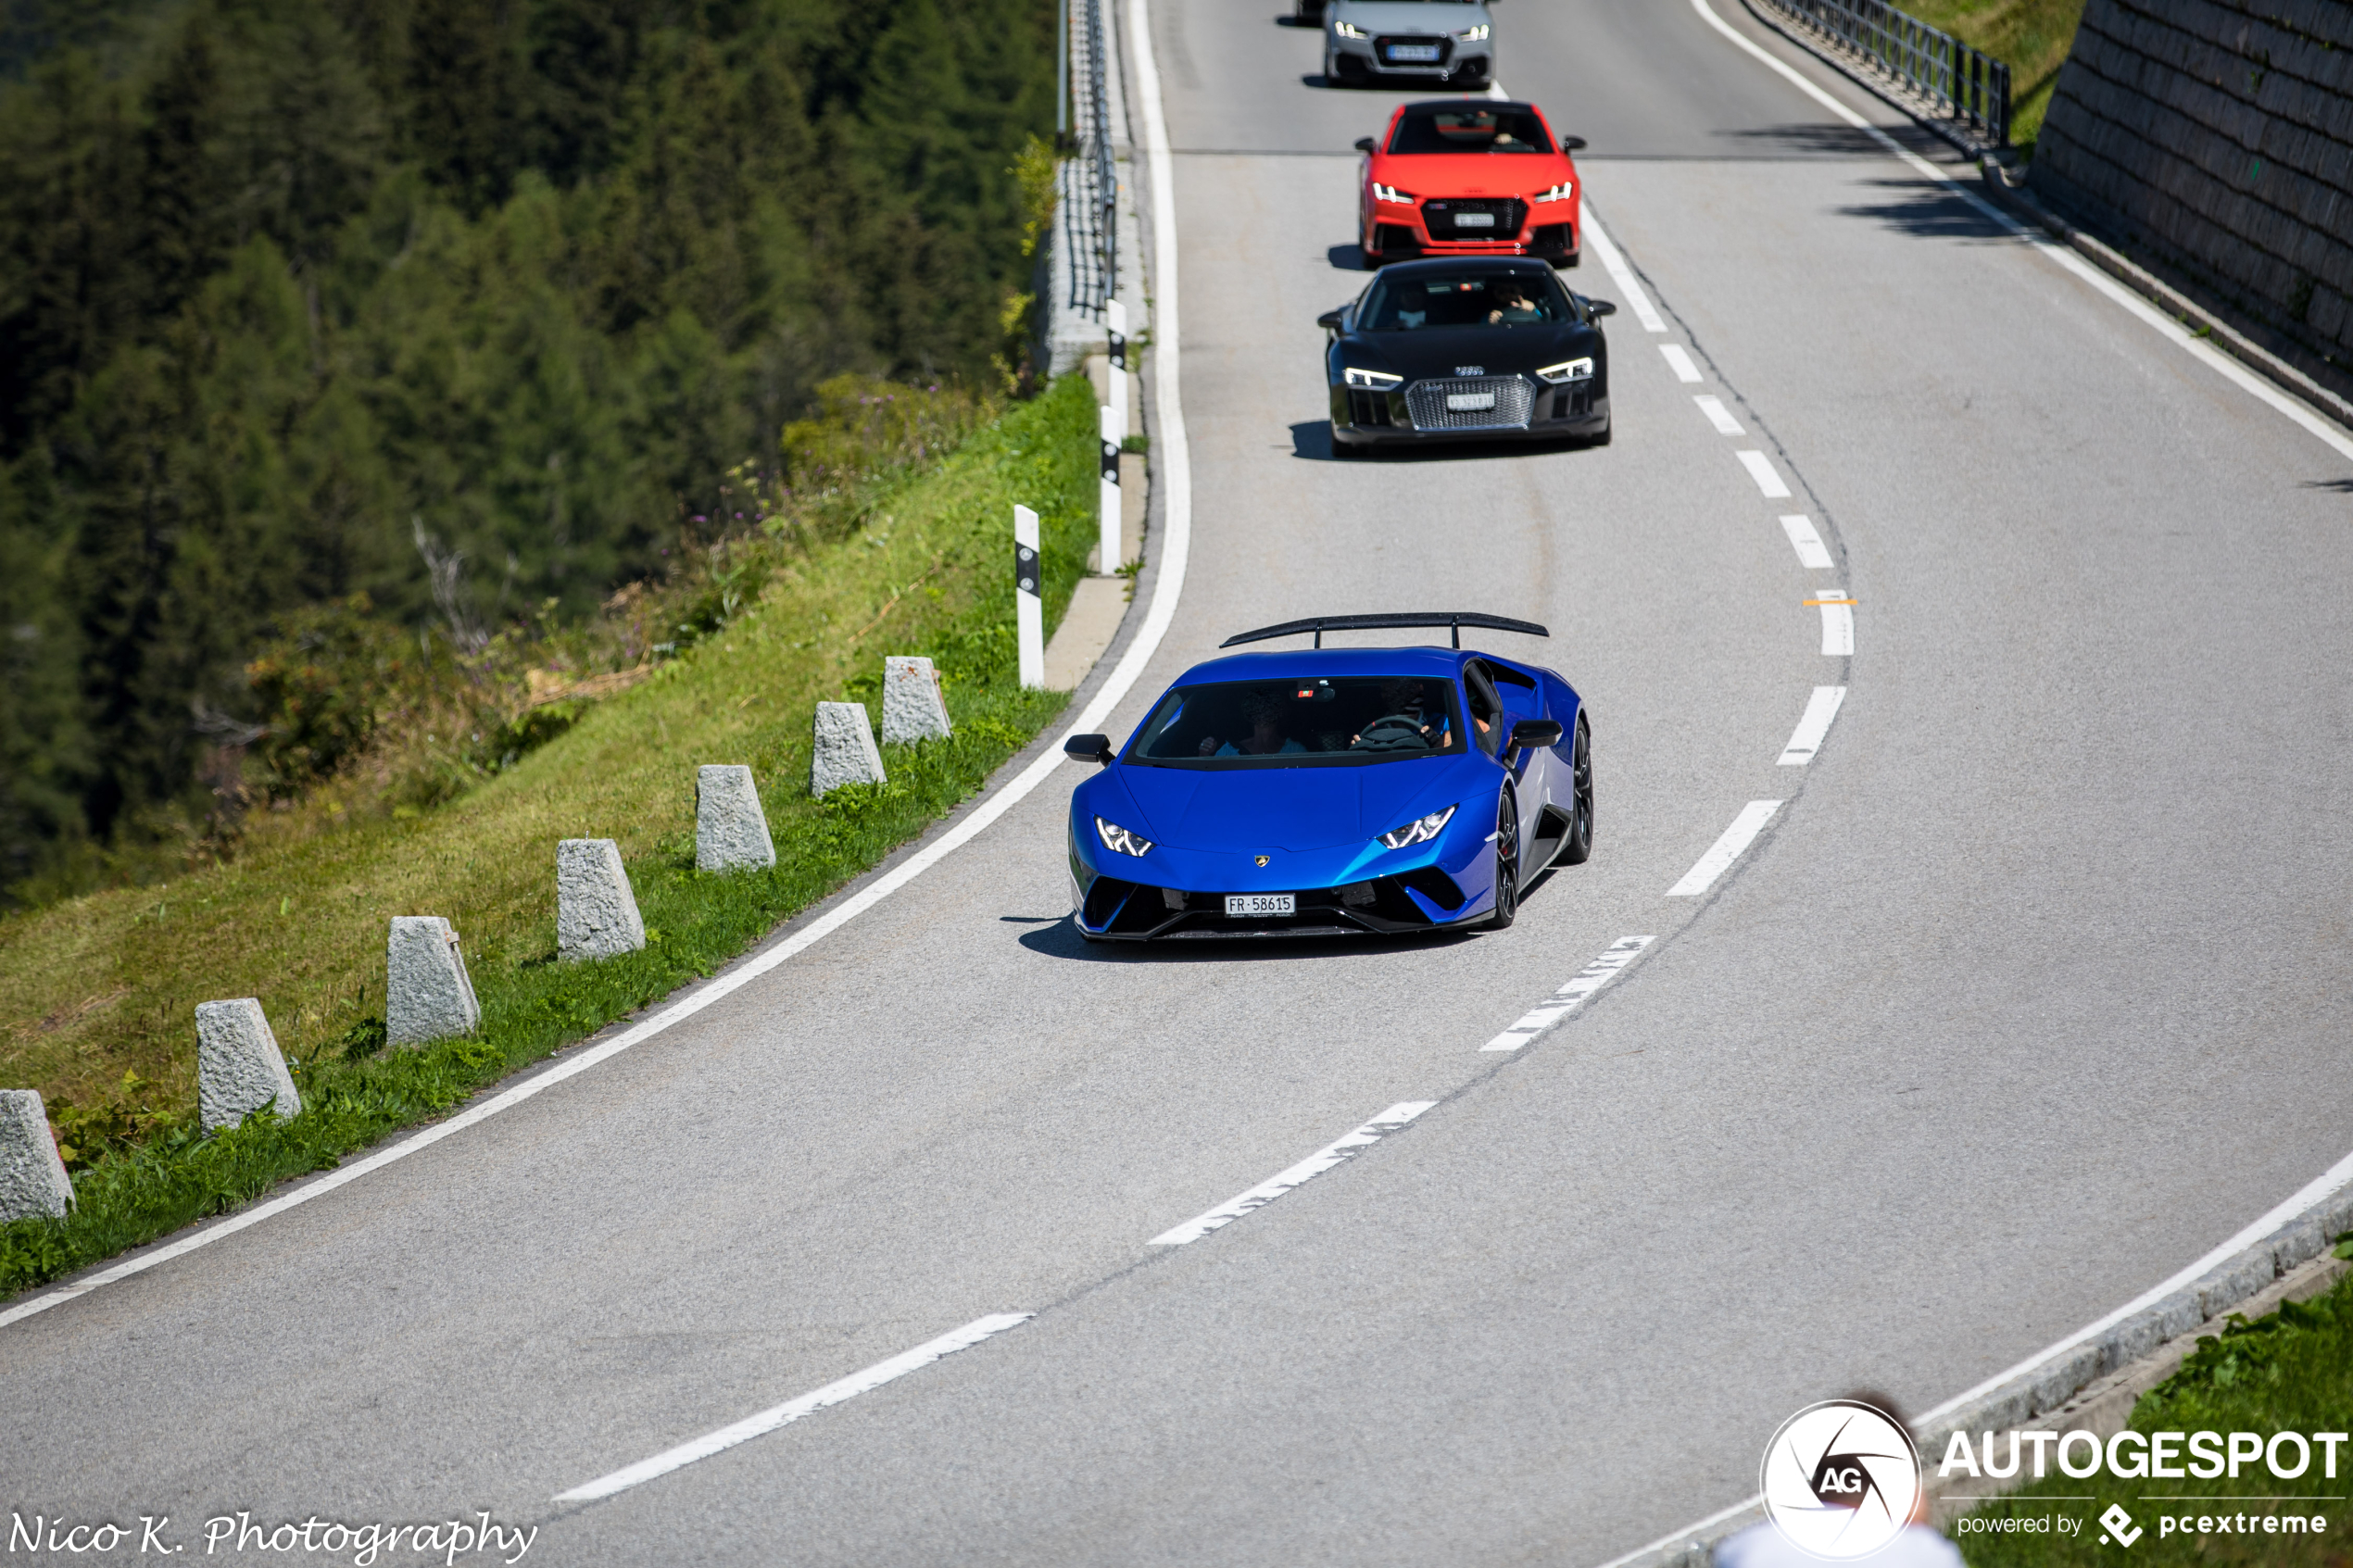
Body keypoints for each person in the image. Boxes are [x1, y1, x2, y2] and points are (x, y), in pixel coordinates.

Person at [1202, 694, 1306, 757]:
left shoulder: (1295, 751)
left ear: (1279, 714)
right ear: (1251, 715)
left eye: (1270, 709)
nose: (1264, 715)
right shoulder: (1229, 751)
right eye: (1259, 710)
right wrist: (1204, 754)